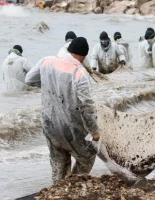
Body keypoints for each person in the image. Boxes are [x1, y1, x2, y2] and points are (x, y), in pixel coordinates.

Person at [25, 37, 101, 184]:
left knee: (58, 162)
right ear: (82, 56)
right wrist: (94, 131)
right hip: (71, 129)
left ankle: (57, 190)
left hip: (49, 125)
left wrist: (49, 86)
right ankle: (73, 185)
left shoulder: (46, 61)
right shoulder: (80, 74)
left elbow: (29, 80)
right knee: (87, 157)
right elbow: (86, 106)